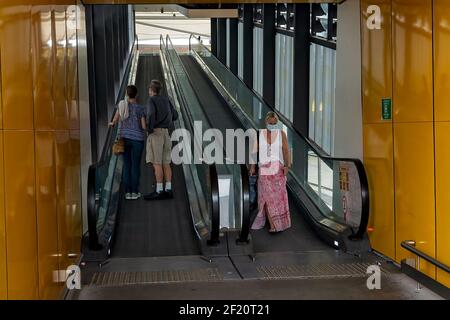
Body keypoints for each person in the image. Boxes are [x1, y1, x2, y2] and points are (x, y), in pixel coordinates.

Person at [249, 111, 291, 233]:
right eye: (270, 122)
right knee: (267, 197)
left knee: (279, 197)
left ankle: (279, 222)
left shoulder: (281, 134)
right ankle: (273, 225)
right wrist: (252, 167)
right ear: (266, 122)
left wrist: (287, 166)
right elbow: (254, 151)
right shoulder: (259, 134)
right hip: (264, 169)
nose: (272, 124)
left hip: (278, 169)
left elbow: (286, 150)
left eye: (274, 123)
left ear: (277, 123)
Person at [110, 85, 147, 200]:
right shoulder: (140, 108)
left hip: (124, 139)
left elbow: (115, 120)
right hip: (137, 140)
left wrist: (112, 123)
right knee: (135, 165)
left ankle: (127, 192)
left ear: (127, 94)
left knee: (127, 165)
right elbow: (143, 126)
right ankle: (135, 192)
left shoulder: (121, 105)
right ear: (136, 95)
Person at [144, 80, 178, 200]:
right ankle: (168, 189)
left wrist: (149, 128)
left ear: (152, 90)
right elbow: (175, 115)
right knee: (166, 163)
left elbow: (151, 114)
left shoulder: (151, 100)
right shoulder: (166, 100)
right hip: (166, 133)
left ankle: (159, 190)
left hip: (156, 133)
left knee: (157, 163)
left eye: (149, 89)